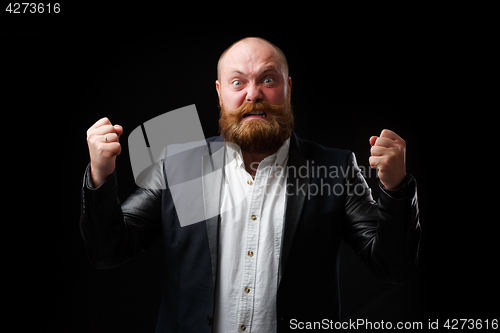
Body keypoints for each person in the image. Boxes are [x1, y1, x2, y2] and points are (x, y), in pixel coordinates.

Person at [81, 37, 421, 332]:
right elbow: (109, 251)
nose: (253, 94)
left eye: (268, 79)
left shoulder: (333, 168)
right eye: (238, 82)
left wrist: (395, 188)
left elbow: (392, 266)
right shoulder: (179, 167)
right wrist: (100, 175)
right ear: (220, 92)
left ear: (288, 87)